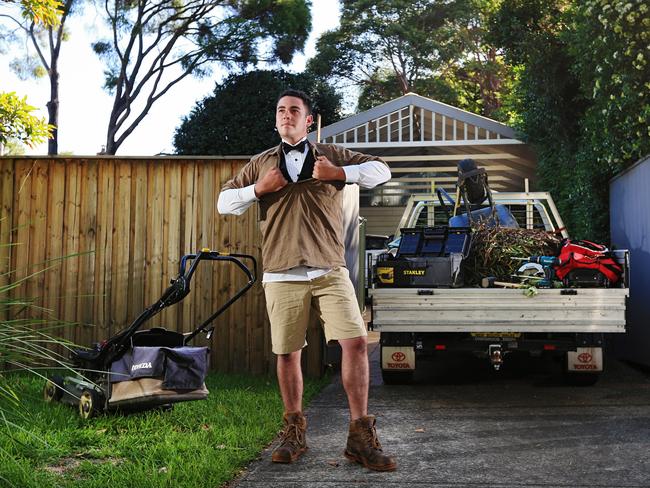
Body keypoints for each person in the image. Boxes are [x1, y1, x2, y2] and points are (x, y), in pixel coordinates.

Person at [217, 89, 395, 472]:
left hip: (329, 269)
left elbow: (383, 171)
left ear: (309, 120)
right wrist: (257, 190)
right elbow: (223, 202)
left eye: (294, 110)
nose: (286, 115)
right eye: (281, 110)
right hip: (281, 272)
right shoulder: (261, 163)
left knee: (356, 344)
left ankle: (360, 438)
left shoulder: (332, 155)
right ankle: (294, 432)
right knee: (287, 352)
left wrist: (340, 174)